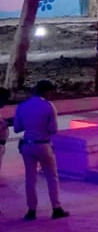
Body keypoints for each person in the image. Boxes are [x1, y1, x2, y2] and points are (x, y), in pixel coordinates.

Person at [12, 80, 68, 220]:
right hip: (43, 144)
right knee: (51, 177)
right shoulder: (48, 106)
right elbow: (53, 129)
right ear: (46, 91)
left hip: (27, 144)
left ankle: (31, 210)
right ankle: (56, 207)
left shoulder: (22, 106)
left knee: (30, 179)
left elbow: (17, 128)